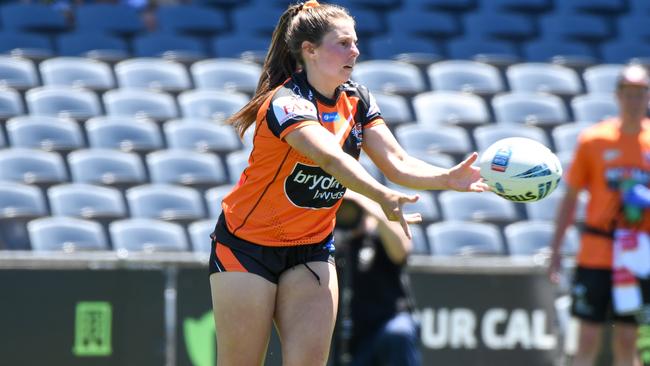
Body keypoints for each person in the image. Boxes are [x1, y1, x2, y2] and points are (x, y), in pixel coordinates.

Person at [208, 1, 488, 365]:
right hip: (246, 246)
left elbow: (398, 162)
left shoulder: (357, 99)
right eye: (343, 43)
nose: (355, 51)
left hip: (311, 248)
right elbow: (330, 158)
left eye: (355, 42)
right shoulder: (286, 102)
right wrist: (380, 194)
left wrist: (447, 178)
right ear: (309, 50)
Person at [549, 64, 650, 366]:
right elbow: (570, 198)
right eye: (628, 94)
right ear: (618, 96)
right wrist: (555, 248)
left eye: (640, 94)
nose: (634, 101)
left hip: (637, 254)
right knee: (588, 335)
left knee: (627, 338)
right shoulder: (594, 140)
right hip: (596, 251)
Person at [334, 190, 421, 366]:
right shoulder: (337, 241)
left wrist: (369, 206)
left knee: (399, 334)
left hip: (388, 321)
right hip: (353, 333)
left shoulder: (378, 235)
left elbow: (402, 252)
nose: (349, 213)